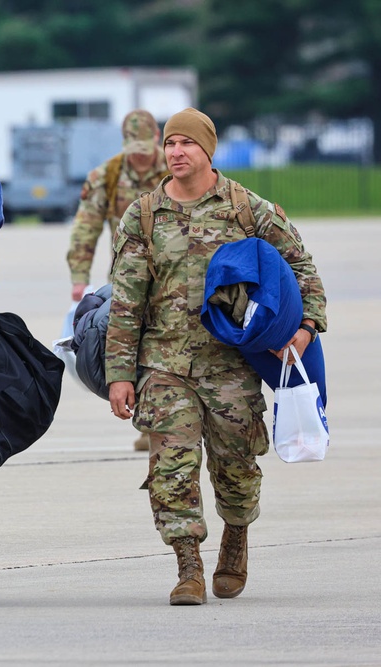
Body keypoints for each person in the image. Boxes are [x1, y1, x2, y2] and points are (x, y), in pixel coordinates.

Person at [105, 108, 327, 606]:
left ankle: (236, 536)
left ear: (209, 150)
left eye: (187, 143)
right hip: (163, 366)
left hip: (232, 363)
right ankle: (188, 565)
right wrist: (119, 374)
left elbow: (301, 267)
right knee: (171, 467)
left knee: (236, 465)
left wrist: (307, 328)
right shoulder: (143, 215)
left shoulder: (247, 209)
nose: (176, 152)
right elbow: (124, 301)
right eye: (170, 144)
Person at [67, 109, 168, 452]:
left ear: (156, 138)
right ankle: (149, 420)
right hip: (128, 279)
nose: (139, 153)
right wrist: (79, 277)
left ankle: (172, 416)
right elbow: (87, 226)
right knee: (131, 351)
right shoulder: (107, 175)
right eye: (133, 146)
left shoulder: (175, 167)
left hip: (175, 278)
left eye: (145, 145)